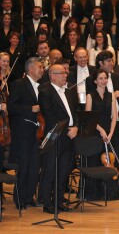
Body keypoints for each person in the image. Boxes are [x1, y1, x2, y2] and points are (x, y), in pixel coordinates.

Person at [38, 64, 78, 214]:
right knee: (50, 170)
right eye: (62, 73)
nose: (65, 75)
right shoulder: (45, 91)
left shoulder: (69, 92)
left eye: (65, 72)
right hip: (56, 136)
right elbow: (49, 116)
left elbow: (75, 113)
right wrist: (68, 127)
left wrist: (76, 128)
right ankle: (47, 203)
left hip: (70, 136)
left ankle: (59, 201)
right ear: (52, 75)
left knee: (64, 170)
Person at [7, 57, 44, 209]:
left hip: (37, 133)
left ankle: (29, 197)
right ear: (30, 69)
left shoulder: (41, 87)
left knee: (35, 167)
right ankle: (20, 199)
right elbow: (12, 108)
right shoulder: (19, 84)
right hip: (22, 133)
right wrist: (30, 109)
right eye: (40, 67)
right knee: (24, 167)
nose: (42, 70)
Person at [84, 69, 118, 200]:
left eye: (105, 78)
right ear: (95, 81)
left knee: (109, 163)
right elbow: (89, 117)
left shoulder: (112, 96)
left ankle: (109, 194)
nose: (104, 81)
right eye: (100, 78)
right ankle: (94, 193)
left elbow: (114, 117)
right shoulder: (90, 96)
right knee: (95, 162)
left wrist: (110, 133)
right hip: (94, 132)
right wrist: (101, 130)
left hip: (109, 133)